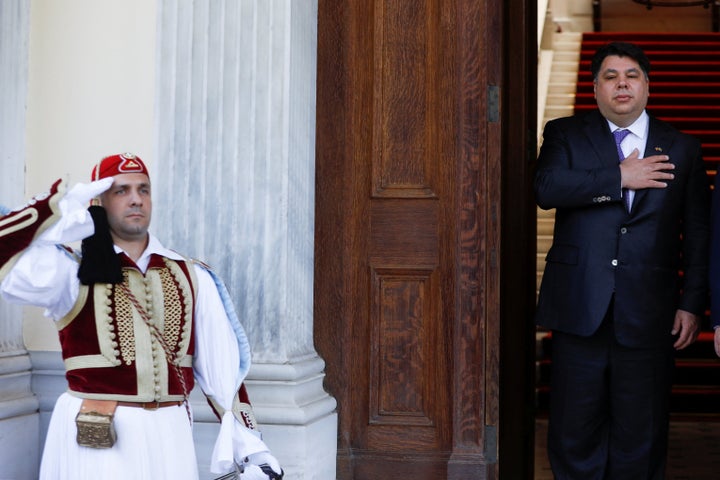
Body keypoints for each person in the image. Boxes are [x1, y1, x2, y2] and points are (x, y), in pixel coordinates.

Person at [0, 153, 283, 480]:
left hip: (170, 434)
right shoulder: (68, 271)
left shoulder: (191, 275)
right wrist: (56, 205)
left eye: (143, 189)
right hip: (97, 442)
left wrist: (250, 447)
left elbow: (222, 368)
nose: (135, 199)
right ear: (98, 202)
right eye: (121, 191)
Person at [534, 42, 710, 478]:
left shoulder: (683, 148)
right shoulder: (564, 134)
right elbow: (547, 189)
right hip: (580, 307)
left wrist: (691, 303)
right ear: (595, 88)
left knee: (642, 432)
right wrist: (619, 177)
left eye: (631, 75)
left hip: (651, 311)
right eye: (610, 76)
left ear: (647, 85)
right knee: (575, 430)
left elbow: (700, 233)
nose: (622, 84)